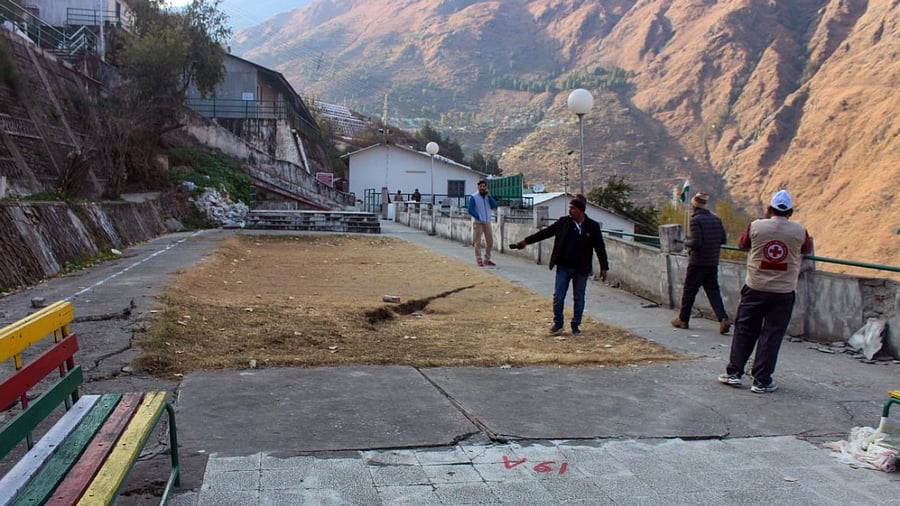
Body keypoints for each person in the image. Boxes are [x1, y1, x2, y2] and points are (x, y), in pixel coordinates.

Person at [718, 189, 813, 394]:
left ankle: (734, 373)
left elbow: (743, 245)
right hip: (784, 292)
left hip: (755, 287)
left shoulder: (756, 226)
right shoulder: (800, 231)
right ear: (791, 211)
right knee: (772, 335)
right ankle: (761, 380)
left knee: (744, 330)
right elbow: (806, 250)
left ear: (769, 209)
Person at [512, 196, 609, 336]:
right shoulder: (563, 223)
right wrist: (525, 241)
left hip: (581, 269)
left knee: (579, 297)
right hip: (564, 266)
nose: (570, 210)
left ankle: (576, 324)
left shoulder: (592, 227)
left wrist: (604, 267)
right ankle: (558, 324)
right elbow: (544, 233)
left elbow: (600, 248)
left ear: (580, 210)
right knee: (558, 296)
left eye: (573, 208)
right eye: (569, 208)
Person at [671, 192, 730, 334]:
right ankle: (723, 318)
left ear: (694, 206)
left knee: (689, 291)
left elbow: (696, 242)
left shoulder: (695, 221)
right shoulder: (716, 219)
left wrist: (686, 241)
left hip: (697, 262)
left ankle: (683, 319)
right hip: (712, 262)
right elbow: (723, 240)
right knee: (713, 292)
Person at [467, 179, 498, 267]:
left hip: (487, 222)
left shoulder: (487, 197)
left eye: (484, 186)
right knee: (477, 242)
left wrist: (489, 196)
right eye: (480, 186)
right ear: (478, 187)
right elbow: (470, 209)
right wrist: (478, 216)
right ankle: (479, 259)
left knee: (490, 242)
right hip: (478, 223)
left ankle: (487, 259)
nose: (482, 188)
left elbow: (494, 205)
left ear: (486, 187)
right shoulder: (473, 197)